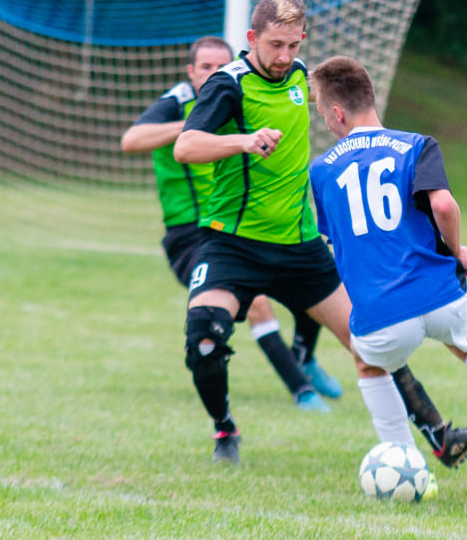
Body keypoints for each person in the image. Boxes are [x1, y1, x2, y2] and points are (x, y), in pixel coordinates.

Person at [173, 0, 467, 465]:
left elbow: (354, 116)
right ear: (251, 39)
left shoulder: (304, 77)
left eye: (293, 45)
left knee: (371, 341)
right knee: (204, 336)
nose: (284, 57)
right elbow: (186, 146)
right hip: (233, 244)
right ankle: (225, 432)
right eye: (274, 45)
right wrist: (243, 141)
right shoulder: (229, 84)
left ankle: (441, 439)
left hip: (301, 246)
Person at [308, 55, 467, 475]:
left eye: (323, 115)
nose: (326, 123)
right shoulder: (416, 145)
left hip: (379, 313)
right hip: (438, 294)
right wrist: (456, 252)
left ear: (337, 112)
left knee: (368, 363)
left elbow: (340, 238)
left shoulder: (320, 170)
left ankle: (408, 465)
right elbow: (442, 204)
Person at [120, 36, 339, 413]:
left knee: (311, 273)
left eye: (219, 66)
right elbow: (131, 140)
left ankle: (304, 356)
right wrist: (193, 125)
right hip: (193, 234)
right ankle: (300, 390)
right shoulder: (179, 101)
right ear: (191, 72)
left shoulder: (245, 93)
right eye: (205, 67)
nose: (213, 73)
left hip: (244, 227)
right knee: (256, 305)